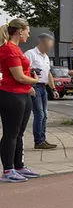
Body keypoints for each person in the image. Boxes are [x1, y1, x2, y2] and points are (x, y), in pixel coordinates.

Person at [0, 18, 43, 183]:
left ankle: (19, 166)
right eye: (28, 30)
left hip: (23, 94)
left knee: (19, 133)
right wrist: (35, 80)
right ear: (20, 31)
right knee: (11, 133)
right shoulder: (9, 49)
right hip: (11, 95)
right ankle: (8, 170)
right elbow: (18, 77)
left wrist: (30, 82)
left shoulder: (16, 49)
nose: (29, 34)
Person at [25, 33, 59, 149]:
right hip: (35, 86)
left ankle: (42, 139)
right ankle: (38, 141)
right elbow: (24, 70)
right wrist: (29, 86)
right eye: (49, 43)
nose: (51, 46)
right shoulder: (30, 54)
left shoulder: (46, 56)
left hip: (43, 87)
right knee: (39, 114)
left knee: (45, 115)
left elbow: (48, 74)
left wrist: (53, 88)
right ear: (43, 42)